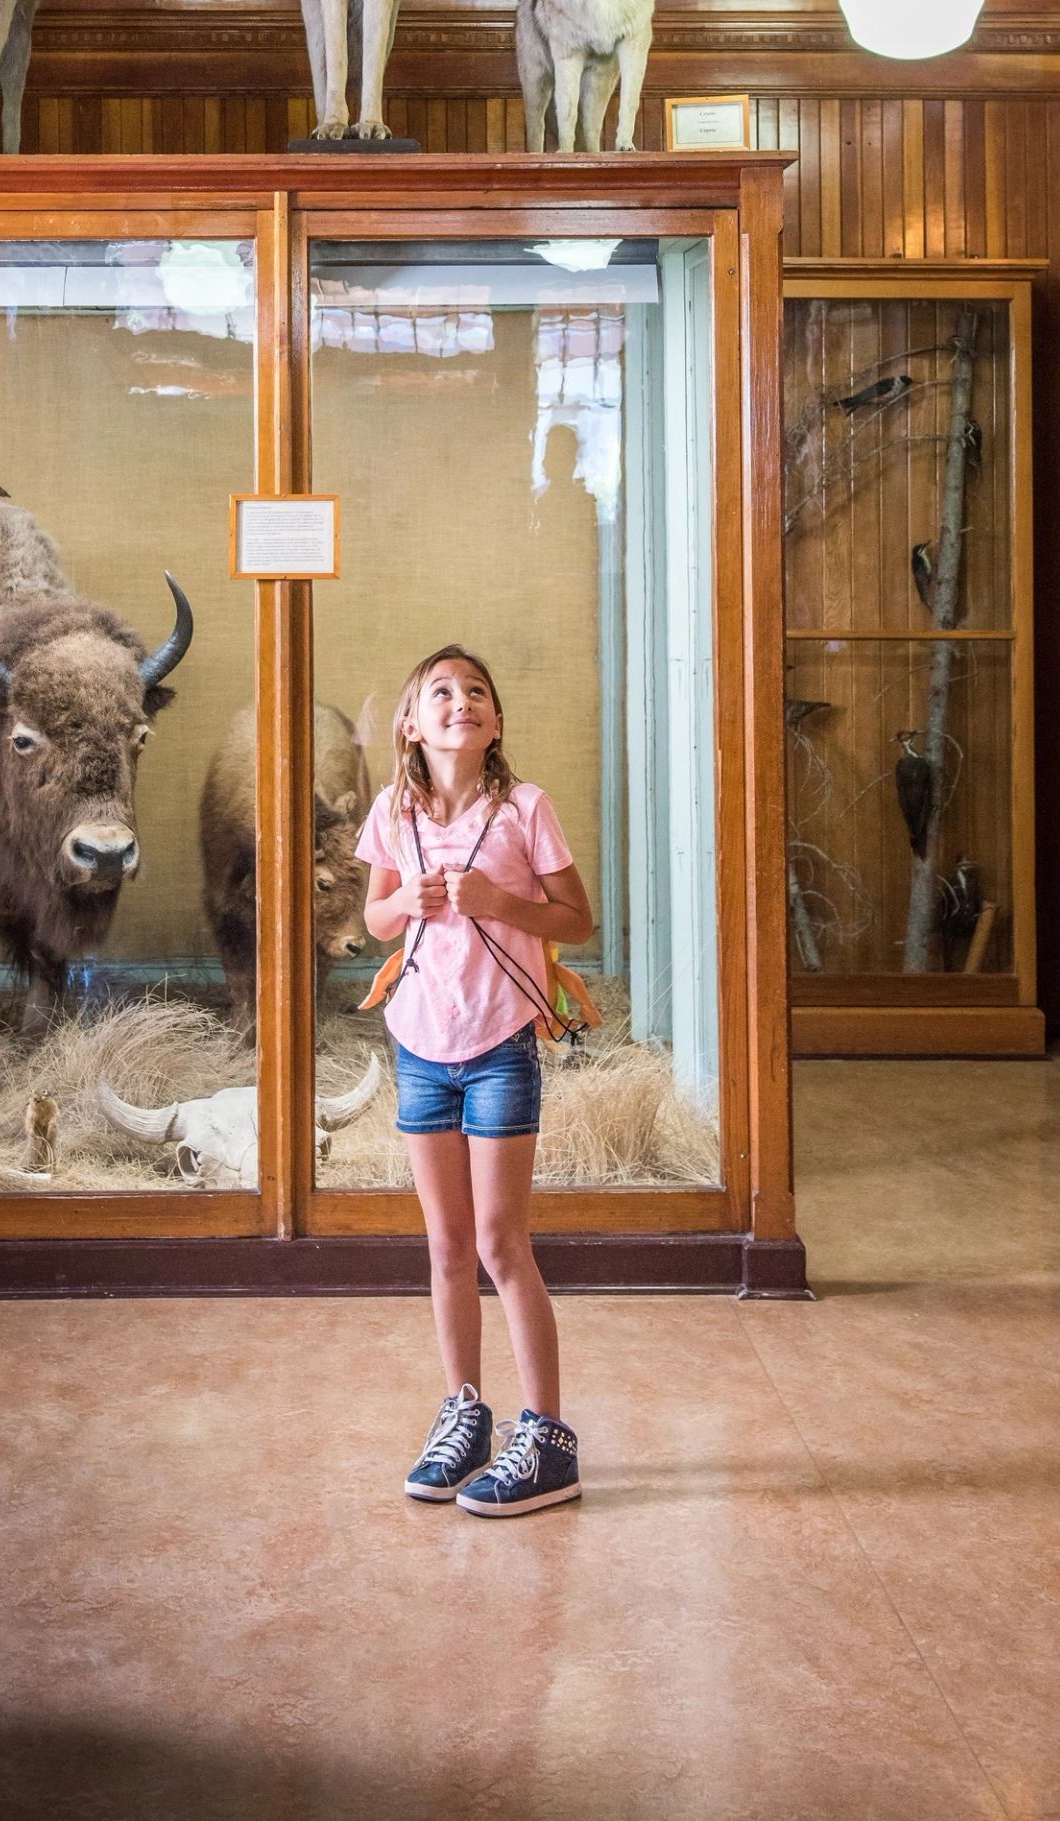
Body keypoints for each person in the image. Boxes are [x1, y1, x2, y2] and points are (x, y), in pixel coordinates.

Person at [359, 643, 595, 1517]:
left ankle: (548, 1437)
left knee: (502, 1243)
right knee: (446, 1245)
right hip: (420, 1044)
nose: (463, 700)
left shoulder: (526, 808)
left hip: (499, 1045)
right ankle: (465, 1412)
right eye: (442, 692)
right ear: (412, 726)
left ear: (494, 722)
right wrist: (403, 905)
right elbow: (376, 912)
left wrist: (502, 904)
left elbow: (577, 915)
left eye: (478, 691)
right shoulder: (395, 811)